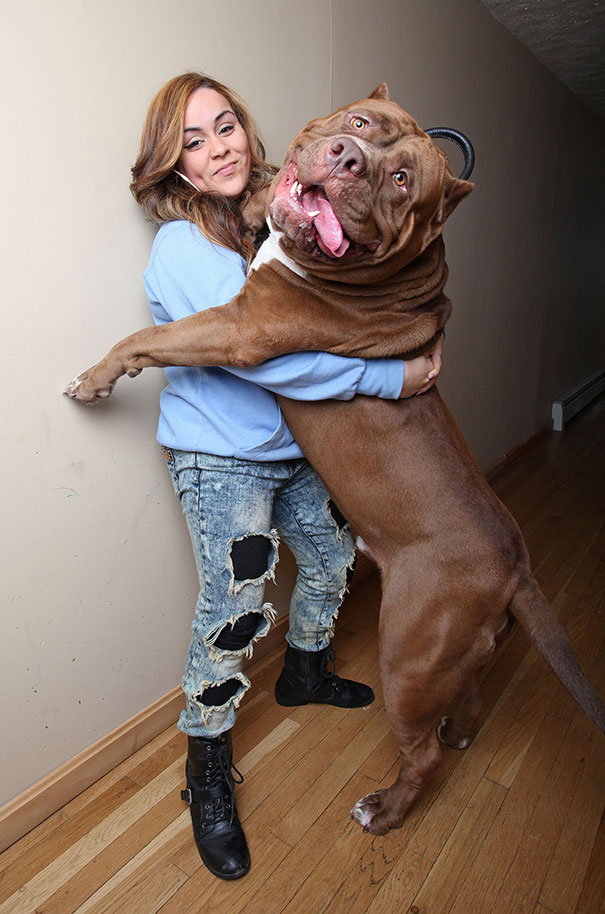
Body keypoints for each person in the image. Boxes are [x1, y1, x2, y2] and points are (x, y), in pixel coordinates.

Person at [129, 72, 443, 880]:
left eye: (224, 125)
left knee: (336, 560)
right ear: (175, 168)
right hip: (219, 455)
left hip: (297, 450)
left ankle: (304, 672)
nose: (218, 148)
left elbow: (341, 309)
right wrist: (393, 380)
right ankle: (204, 769)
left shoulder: (279, 216)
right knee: (231, 611)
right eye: (192, 142)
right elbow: (282, 361)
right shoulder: (180, 248)